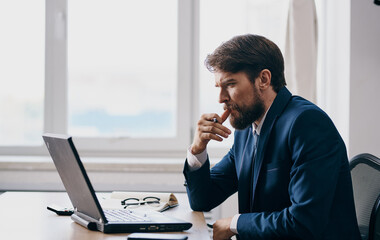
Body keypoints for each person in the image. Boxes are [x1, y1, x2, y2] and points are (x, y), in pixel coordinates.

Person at [183, 34, 361, 240]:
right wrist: (198, 149)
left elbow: (303, 222)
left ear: (264, 80)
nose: (221, 97)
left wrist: (234, 224)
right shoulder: (247, 130)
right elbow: (202, 200)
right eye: (219, 87)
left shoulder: (307, 124)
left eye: (230, 84)